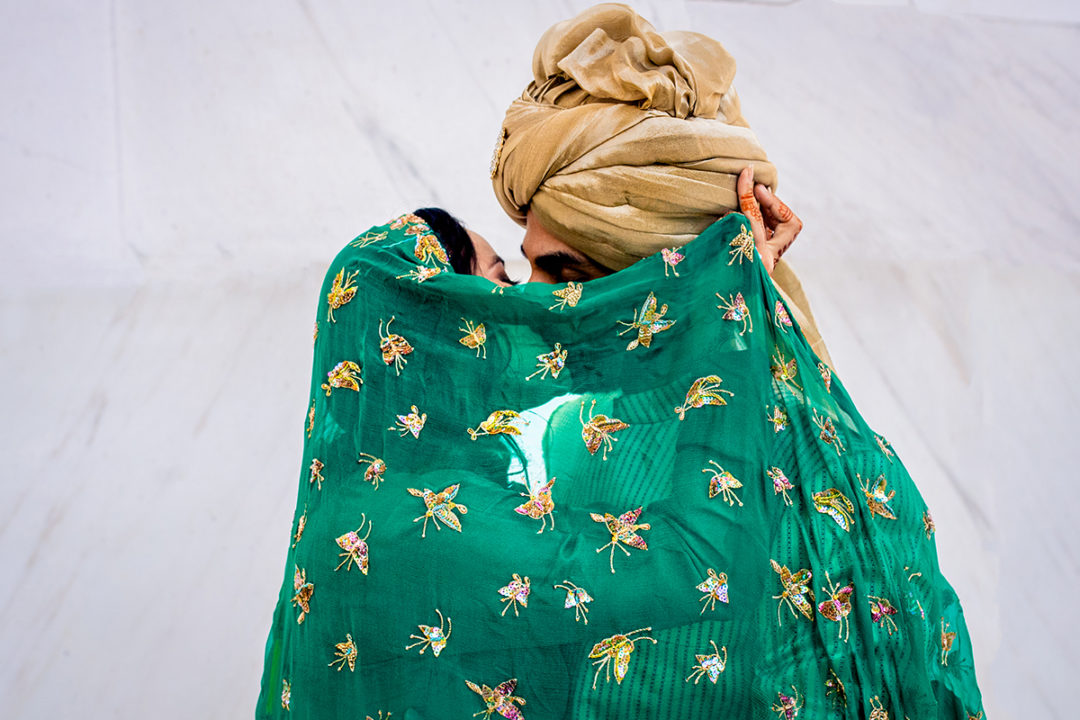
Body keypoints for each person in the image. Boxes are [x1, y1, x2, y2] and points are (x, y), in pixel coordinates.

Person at [255, 5, 985, 719]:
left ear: (649, 277)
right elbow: (693, 570)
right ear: (433, 343)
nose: (534, 313)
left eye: (561, 275)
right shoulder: (496, 485)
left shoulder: (832, 470)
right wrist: (729, 319)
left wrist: (728, 308)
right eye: (506, 290)